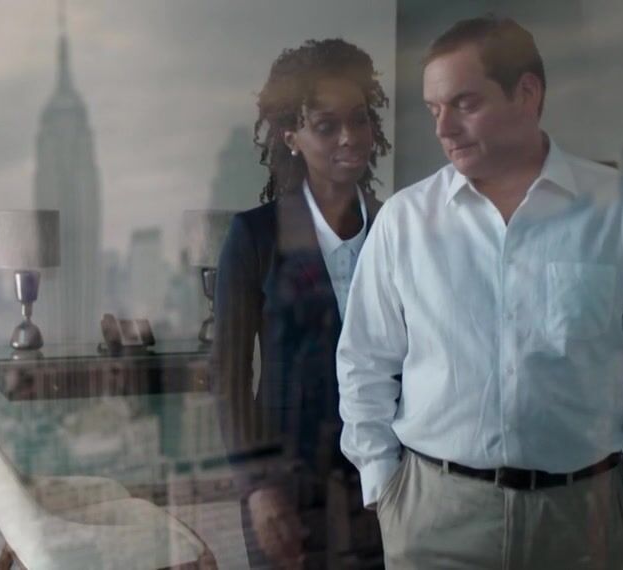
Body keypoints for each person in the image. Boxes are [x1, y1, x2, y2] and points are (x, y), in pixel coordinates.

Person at [336, 16, 623, 569]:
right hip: (435, 517)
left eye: (464, 103)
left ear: (527, 93)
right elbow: (364, 361)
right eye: (434, 109)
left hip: (587, 520)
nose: (444, 128)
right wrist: (384, 485)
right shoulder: (405, 221)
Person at [208, 38, 391, 569]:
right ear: (291, 137)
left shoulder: (398, 227)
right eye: (327, 126)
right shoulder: (256, 236)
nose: (350, 137)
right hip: (286, 490)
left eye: (359, 119)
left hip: (385, 483)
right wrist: (257, 487)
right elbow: (228, 376)